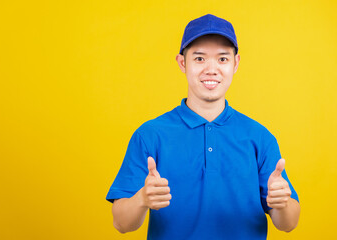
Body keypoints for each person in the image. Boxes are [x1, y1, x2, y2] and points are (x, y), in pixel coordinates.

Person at [106, 14, 300, 239]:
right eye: (199, 59)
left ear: (235, 64)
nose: (211, 69)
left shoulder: (259, 137)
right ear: (182, 63)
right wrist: (141, 199)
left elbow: (288, 223)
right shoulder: (150, 135)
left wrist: (282, 203)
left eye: (222, 59)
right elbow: (121, 223)